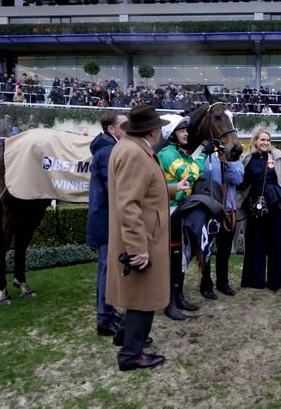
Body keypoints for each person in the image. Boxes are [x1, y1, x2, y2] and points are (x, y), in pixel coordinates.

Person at [106, 105, 171, 371]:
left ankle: (126, 336)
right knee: (144, 299)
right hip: (144, 239)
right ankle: (130, 354)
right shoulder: (135, 153)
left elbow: (142, 192)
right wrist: (138, 249)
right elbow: (129, 205)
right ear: (154, 131)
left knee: (137, 294)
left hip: (144, 235)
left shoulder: (130, 147)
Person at [158, 114, 205, 320]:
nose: (187, 133)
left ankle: (179, 297)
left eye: (186, 130)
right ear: (171, 134)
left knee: (183, 256)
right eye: (182, 130)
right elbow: (190, 173)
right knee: (173, 257)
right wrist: (202, 156)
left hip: (182, 211)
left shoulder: (182, 153)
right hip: (171, 211)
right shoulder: (168, 153)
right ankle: (168, 303)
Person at [87, 111, 128, 337]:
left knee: (108, 268)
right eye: (124, 125)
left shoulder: (108, 149)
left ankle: (108, 312)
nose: (129, 127)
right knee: (107, 269)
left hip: (105, 219)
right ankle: (105, 319)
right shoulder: (109, 152)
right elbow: (117, 190)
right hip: (106, 221)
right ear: (111, 129)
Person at [238, 126, 281, 291]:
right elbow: (242, 183)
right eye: (262, 139)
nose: (265, 142)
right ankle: (256, 280)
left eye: (268, 140)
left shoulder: (277, 157)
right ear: (255, 141)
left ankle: (276, 281)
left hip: (276, 204)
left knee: (277, 243)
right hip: (256, 206)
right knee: (256, 243)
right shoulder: (246, 159)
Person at [200, 136, 244, 298]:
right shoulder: (207, 159)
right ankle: (206, 284)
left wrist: (228, 163)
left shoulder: (236, 162)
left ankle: (222, 282)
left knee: (224, 251)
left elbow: (238, 179)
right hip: (209, 211)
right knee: (207, 250)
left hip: (227, 212)